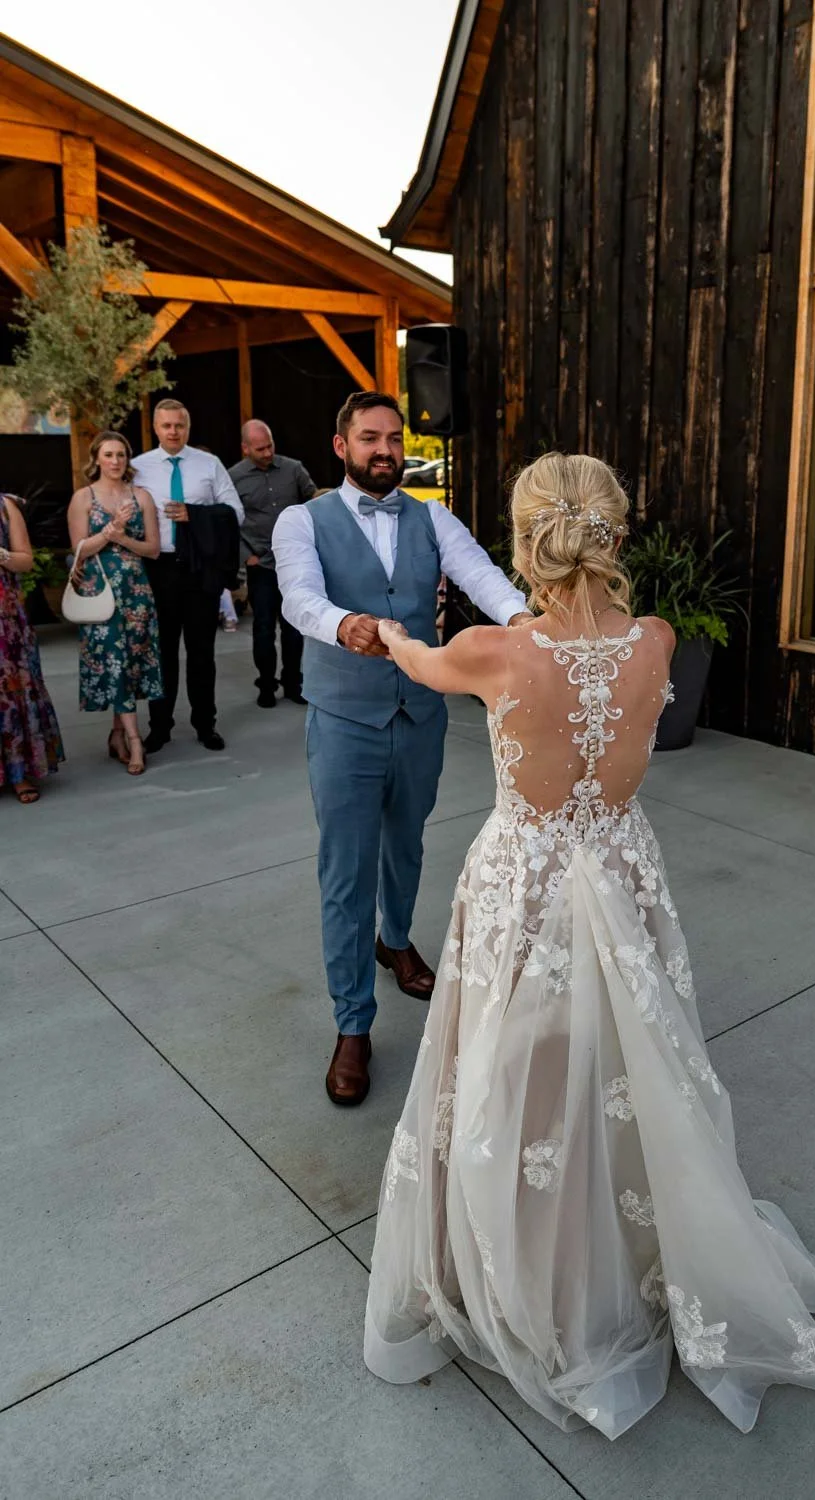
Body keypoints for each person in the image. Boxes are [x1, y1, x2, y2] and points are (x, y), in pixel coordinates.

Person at [363, 453, 815, 1438]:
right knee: (627, 1065)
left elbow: (418, 665)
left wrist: (386, 631)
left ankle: (543, 1278)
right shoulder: (656, 640)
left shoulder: (492, 653)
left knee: (525, 1075)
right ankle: (634, 1245)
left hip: (529, 883)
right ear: (612, 535)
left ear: (525, 542)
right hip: (622, 864)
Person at [273, 391, 532, 1107]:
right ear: (341, 445)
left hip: (420, 715)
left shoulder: (431, 517)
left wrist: (524, 623)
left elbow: (479, 573)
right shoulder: (303, 520)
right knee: (345, 870)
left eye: (393, 438)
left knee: (408, 843)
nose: (384, 450)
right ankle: (353, 1023)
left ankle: (396, 940)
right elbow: (298, 596)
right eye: (369, 438)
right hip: (345, 720)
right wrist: (343, 622)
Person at [132, 399, 244, 752]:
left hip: (198, 569)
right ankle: (159, 727)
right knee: (162, 653)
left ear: (188, 426)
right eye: (166, 426)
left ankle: (205, 725)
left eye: (179, 425)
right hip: (158, 567)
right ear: (155, 427)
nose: (173, 432)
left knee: (201, 652)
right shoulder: (138, 467)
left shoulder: (209, 464)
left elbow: (235, 512)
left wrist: (194, 515)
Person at [67, 431, 163, 776]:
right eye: (108, 455)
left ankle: (117, 733)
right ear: (96, 458)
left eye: (121, 454)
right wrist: (110, 530)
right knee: (114, 660)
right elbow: (79, 550)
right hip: (99, 594)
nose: (115, 461)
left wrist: (122, 536)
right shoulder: (83, 498)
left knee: (131, 663)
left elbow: (152, 548)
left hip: (136, 592)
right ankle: (136, 740)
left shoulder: (142, 497)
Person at [230, 420, 316, 707]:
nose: (267, 452)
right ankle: (266, 684)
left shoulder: (293, 469)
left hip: (294, 563)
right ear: (245, 449)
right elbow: (229, 523)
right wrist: (246, 556)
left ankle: (294, 682)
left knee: (294, 628)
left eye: (270, 446)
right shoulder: (234, 478)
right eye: (259, 448)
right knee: (264, 629)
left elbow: (315, 504)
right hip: (261, 566)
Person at [0, 492, 64, 801]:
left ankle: (18, 772)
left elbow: (25, 560)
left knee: (12, 693)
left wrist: (2, 555)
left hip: (5, 618)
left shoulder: (5, 506)